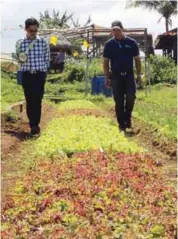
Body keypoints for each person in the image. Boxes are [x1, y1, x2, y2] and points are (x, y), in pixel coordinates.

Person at [103, 20, 142, 132]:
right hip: (116, 76)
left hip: (129, 75)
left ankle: (127, 117)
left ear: (122, 29)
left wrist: (139, 75)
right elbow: (105, 63)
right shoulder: (109, 45)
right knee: (119, 100)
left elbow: (137, 60)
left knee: (130, 96)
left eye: (118, 30)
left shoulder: (132, 42)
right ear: (112, 31)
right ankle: (122, 124)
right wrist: (107, 78)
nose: (116, 32)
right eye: (113, 30)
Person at [16, 18, 50, 135]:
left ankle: (35, 124)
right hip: (27, 75)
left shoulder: (43, 42)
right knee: (29, 99)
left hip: (39, 74)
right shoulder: (20, 43)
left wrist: (44, 71)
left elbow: (47, 57)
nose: (34, 33)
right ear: (26, 29)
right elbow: (18, 58)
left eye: (35, 30)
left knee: (37, 99)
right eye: (31, 30)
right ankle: (33, 123)